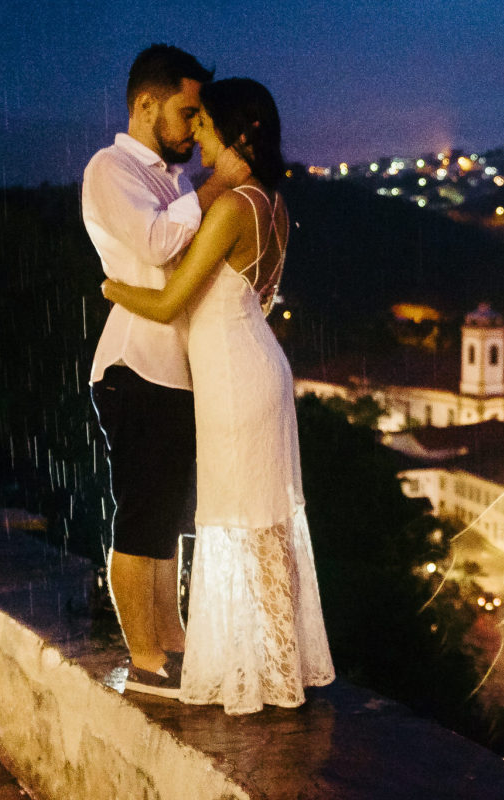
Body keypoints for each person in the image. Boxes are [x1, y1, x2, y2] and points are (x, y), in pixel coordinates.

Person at [101, 77, 335, 714]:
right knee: (264, 520)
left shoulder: (232, 207)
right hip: (257, 364)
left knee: (238, 519)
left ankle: (263, 671)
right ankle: (276, 662)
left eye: (203, 127)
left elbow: (172, 300)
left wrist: (113, 289)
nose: (195, 139)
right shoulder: (272, 203)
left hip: (234, 376)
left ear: (233, 134)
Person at [85, 44, 249, 698]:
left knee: (165, 524)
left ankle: (174, 644)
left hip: (178, 373)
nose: (192, 126)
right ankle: (149, 662)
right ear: (146, 104)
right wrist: (217, 184)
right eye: (186, 111)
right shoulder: (110, 169)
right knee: (141, 517)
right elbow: (155, 243)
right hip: (137, 368)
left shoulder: (174, 180)